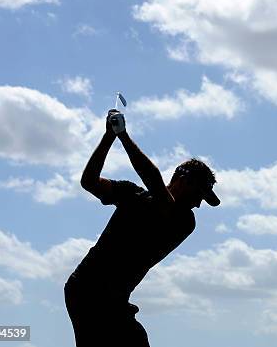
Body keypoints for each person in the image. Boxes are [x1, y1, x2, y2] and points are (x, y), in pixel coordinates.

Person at [64, 109, 220, 347]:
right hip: (86, 289)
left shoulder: (184, 221)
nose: (199, 204)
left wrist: (123, 136)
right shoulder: (131, 193)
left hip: (111, 300)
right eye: (199, 194)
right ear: (183, 180)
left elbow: (155, 183)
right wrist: (109, 137)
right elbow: (89, 182)